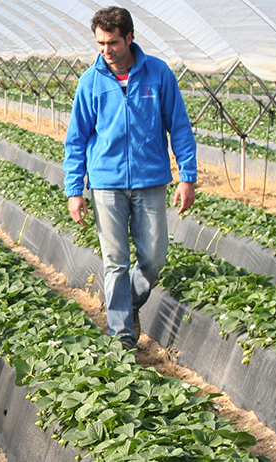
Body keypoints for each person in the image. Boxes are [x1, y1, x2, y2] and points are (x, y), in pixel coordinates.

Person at [63, 6, 197, 350]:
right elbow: (76, 138)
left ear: (129, 39)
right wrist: (74, 189)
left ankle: (126, 302)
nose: (105, 50)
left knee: (153, 259)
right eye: (100, 43)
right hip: (107, 184)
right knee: (116, 261)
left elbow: (179, 126)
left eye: (112, 43)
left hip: (151, 180)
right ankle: (121, 335)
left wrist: (188, 176)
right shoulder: (91, 81)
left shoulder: (158, 74)